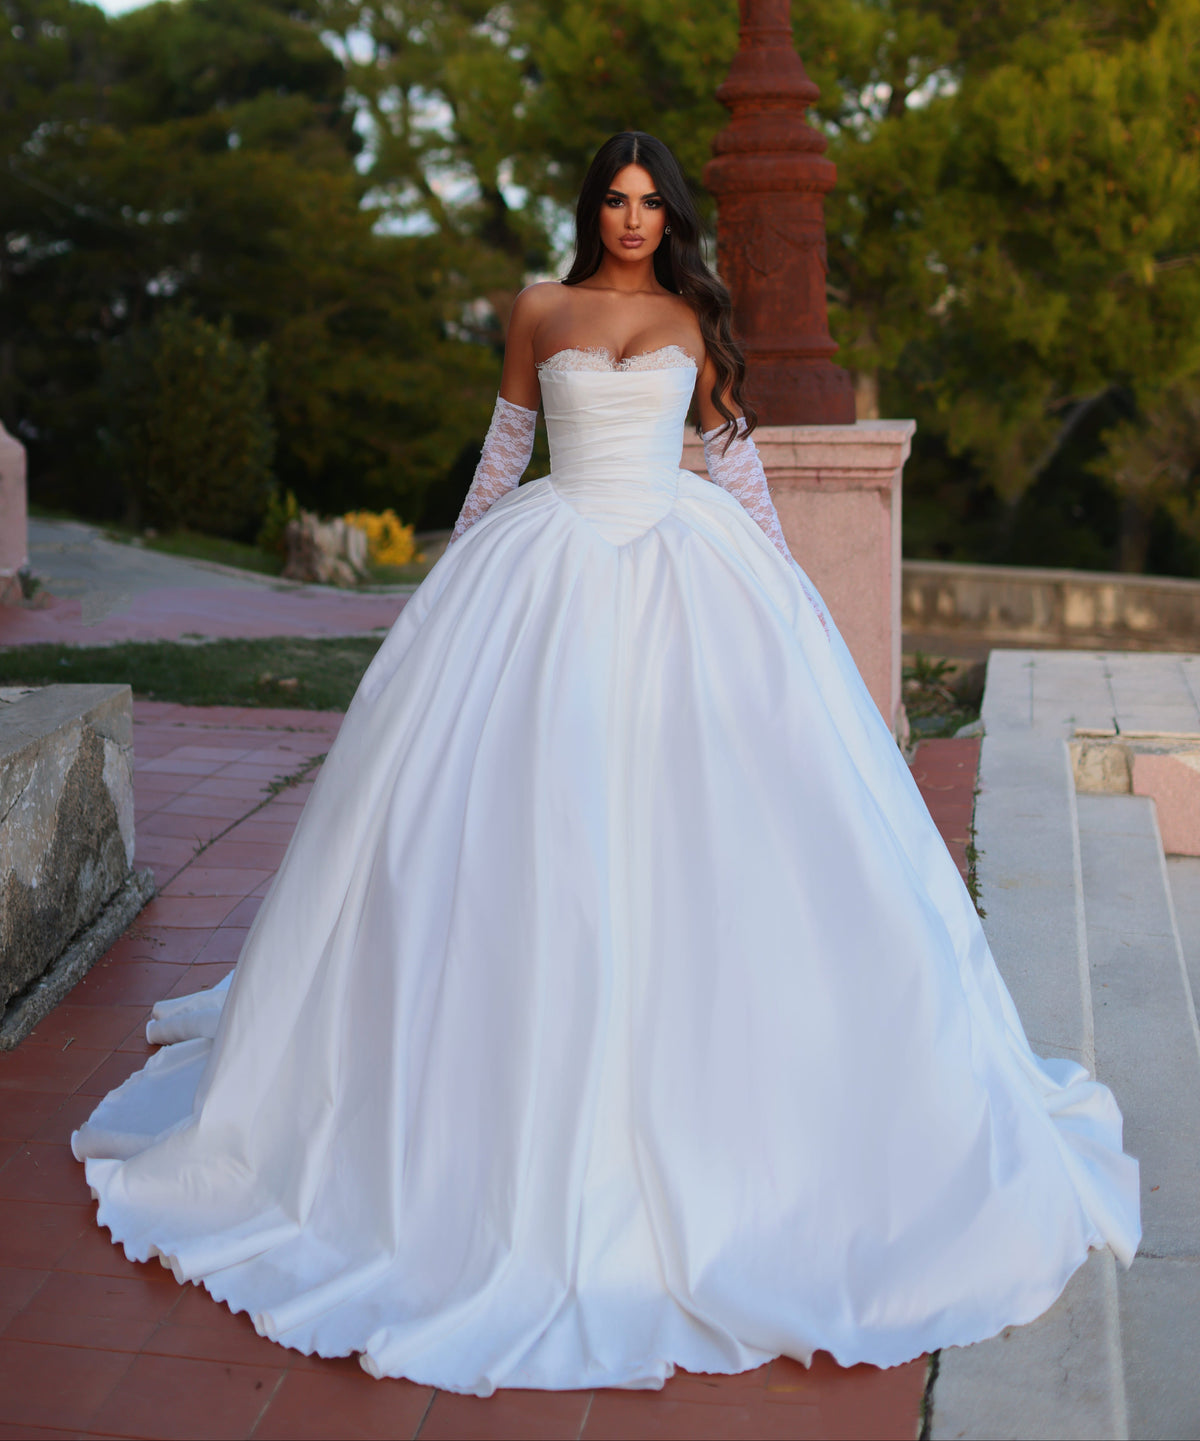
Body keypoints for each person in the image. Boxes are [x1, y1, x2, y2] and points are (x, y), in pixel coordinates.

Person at [73, 131, 1140, 1396]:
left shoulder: (695, 316)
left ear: (670, 218)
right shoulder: (538, 308)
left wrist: (790, 592)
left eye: (651, 205)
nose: (633, 221)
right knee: (523, 829)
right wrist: (445, 584)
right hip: (546, 570)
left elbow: (733, 460)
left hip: (685, 571)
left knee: (705, 831)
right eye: (615, 203)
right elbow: (499, 457)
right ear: (591, 210)